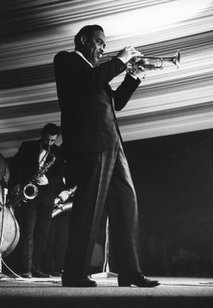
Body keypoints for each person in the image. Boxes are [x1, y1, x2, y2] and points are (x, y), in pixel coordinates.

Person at [54, 24, 160, 287]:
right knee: (89, 208)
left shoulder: (95, 73)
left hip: (113, 144)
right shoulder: (66, 60)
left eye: (105, 44)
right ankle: (74, 273)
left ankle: (129, 272)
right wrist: (120, 60)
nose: (103, 48)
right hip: (91, 144)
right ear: (82, 39)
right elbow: (90, 83)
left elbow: (116, 103)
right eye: (99, 42)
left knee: (127, 203)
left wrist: (133, 76)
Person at [10, 123, 64, 278]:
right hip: (30, 195)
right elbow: (16, 166)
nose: (49, 143)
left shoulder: (58, 152)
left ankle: (35, 268)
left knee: (42, 234)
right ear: (42, 135)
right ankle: (25, 269)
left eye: (53, 141)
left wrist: (48, 181)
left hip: (46, 198)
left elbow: (60, 175)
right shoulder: (27, 147)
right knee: (28, 232)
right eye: (47, 139)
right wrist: (18, 184)